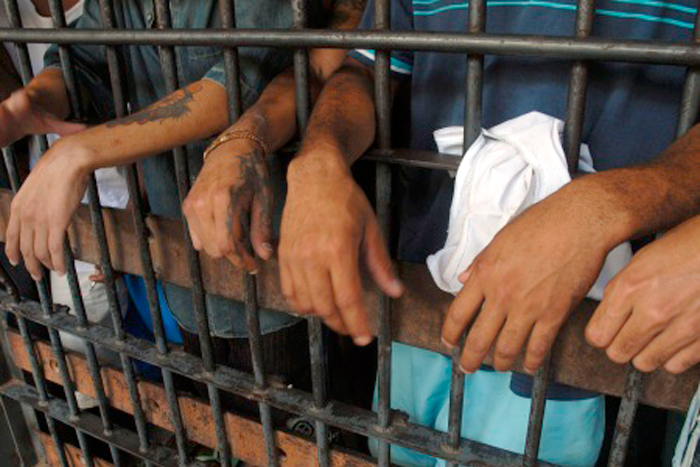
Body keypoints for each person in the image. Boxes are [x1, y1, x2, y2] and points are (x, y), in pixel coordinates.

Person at [278, 0, 699, 465]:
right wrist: (320, 157)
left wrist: (610, 202)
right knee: (396, 451)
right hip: (425, 280)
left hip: (593, 314)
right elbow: (365, 71)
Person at [0, 0, 368, 416]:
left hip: (275, 260)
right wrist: (36, 100)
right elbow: (83, 61)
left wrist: (77, 153)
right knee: (221, 415)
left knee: (299, 420)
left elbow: (238, 79)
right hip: (185, 263)